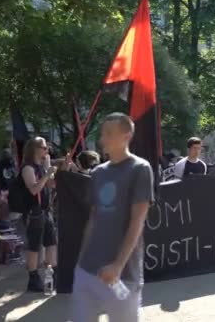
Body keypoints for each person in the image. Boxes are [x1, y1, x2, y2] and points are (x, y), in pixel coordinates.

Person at [74, 112, 154, 322]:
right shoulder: (98, 173)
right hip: (86, 271)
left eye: (109, 133)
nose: (103, 139)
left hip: (123, 274)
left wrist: (118, 265)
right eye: (103, 133)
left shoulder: (140, 169)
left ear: (126, 136)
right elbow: (93, 219)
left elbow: (138, 221)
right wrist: (80, 262)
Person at [20, 137, 58, 292]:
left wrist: (50, 171)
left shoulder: (41, 166)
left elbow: (51, 185)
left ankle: (54, 273)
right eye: (43, 147)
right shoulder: (28, 168)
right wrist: (46, 173)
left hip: (45, 210)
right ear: (34, 149)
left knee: (51, 242)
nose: (46, 150)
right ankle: (33, 278)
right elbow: (34, 189)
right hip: (33, 212)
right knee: (35, 246)